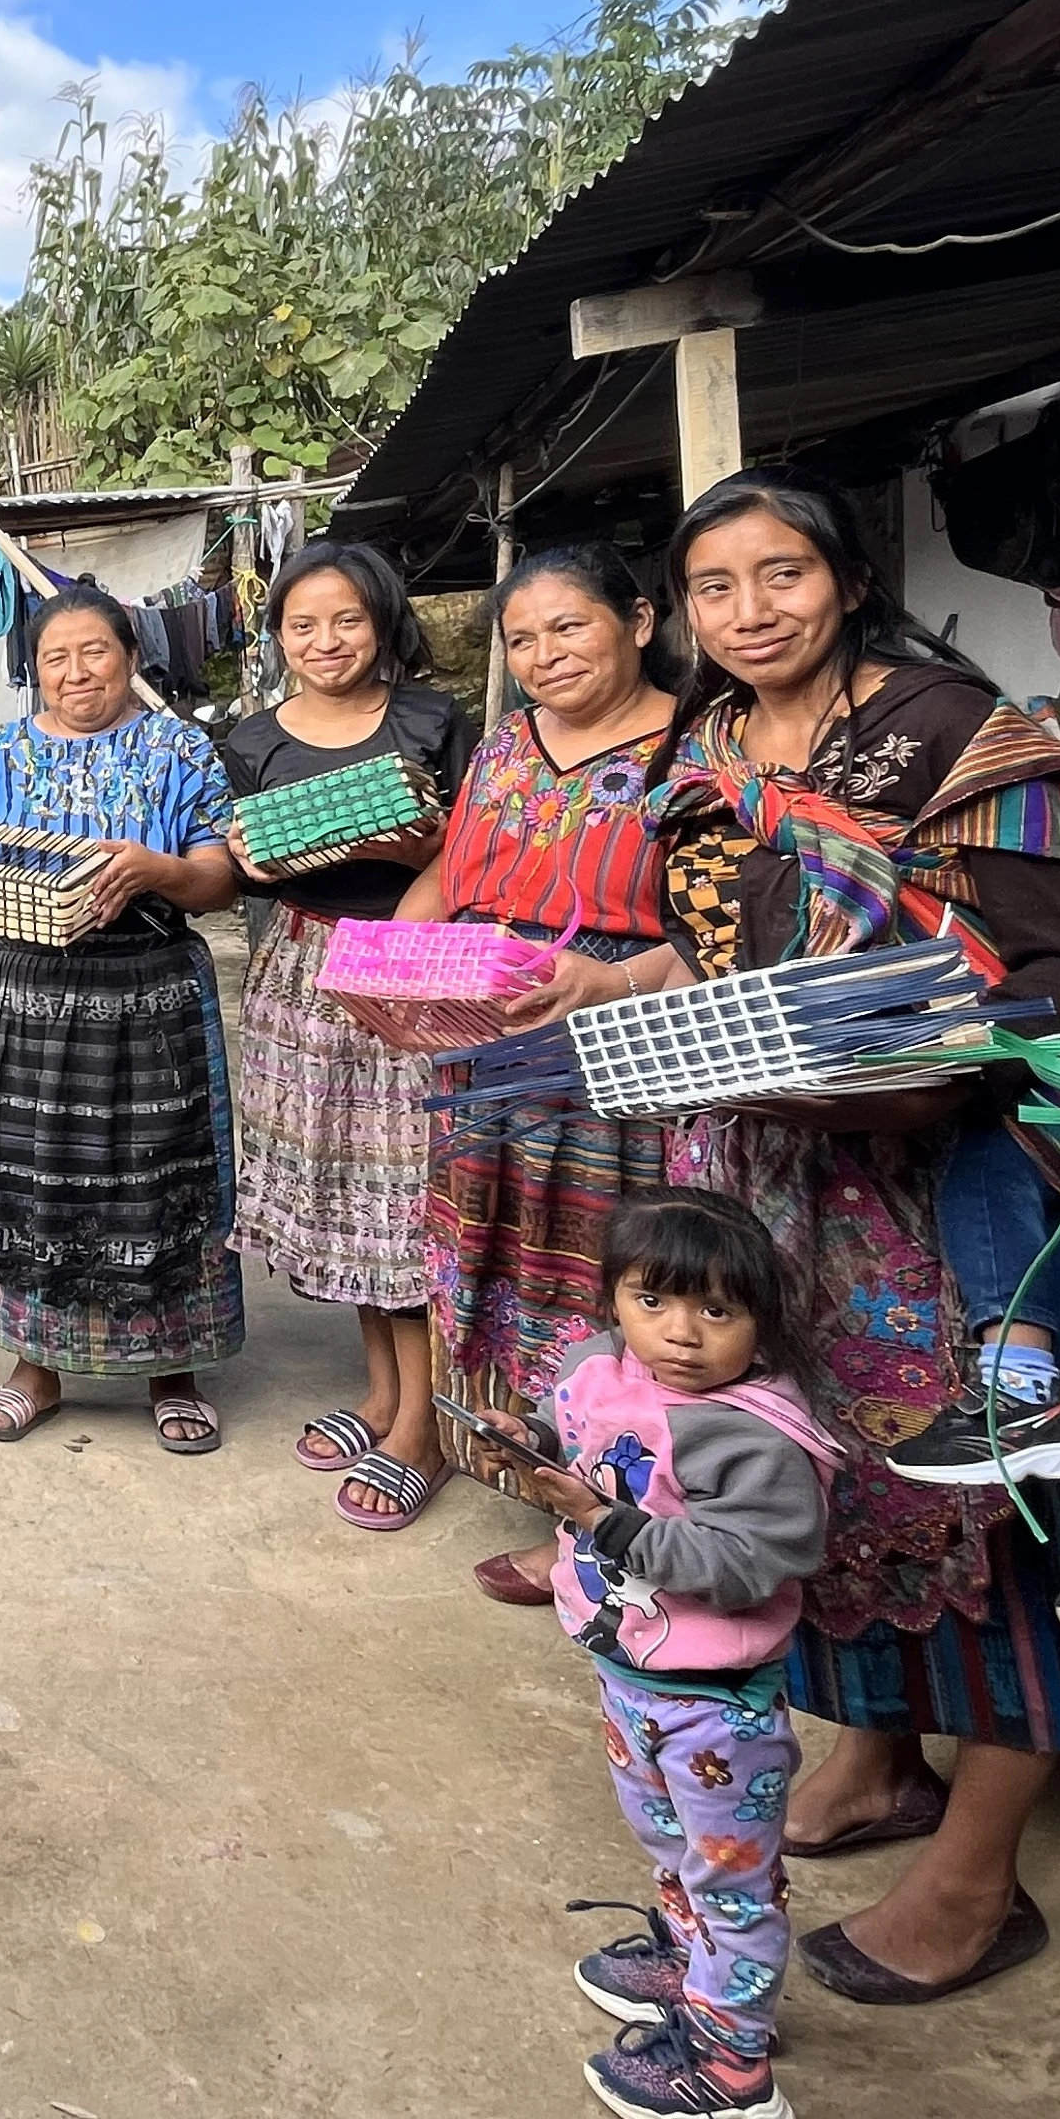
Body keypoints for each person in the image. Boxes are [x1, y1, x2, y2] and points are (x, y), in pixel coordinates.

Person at [560, 464, 1060, 2006]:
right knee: (798, 1469)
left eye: (783, 577)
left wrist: (892, 1063)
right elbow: (708, 950)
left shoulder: (961, 736)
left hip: (935, 1176)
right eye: (716, 588)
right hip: (763, 1168)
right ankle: (881, 1753)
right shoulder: (711, 749)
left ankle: (980, 1869)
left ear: (848, 578)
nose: (751, 614)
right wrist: (615, 999)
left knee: (976, 1489)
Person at [507, 1190, 835, 2119]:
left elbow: (746, 1566)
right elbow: (575, 1434)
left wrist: (607, 1525)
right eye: (653, 1300)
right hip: (631, 1680)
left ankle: (734, 2068)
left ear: (761, 1323)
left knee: (736, 1885)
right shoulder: (596, 1371)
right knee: (667, 1845)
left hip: (718, 1709)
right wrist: (527, 1440)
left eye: (717, 1312)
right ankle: (689, 1959)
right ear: (613, 1297)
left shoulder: (758, 1435)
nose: (680, 1334)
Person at [392, 543, 683, 1607]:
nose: (544, 654)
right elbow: (453, 873)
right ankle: (556, 1502)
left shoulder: (695, 747)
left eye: (570, 626)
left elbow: (721, 922)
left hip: (624, 1053)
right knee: (501, 1267)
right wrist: (384, 968)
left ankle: (630, 1536)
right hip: (487, 1040)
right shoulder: (509, 744)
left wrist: (608, 983)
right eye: (523, 638)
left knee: (618, 1276)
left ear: (640, 621)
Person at [0, 584, 247, 1456]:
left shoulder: (179, 749)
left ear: (132, 657)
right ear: (32, 671)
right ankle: (35, 1367)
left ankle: (172, 1368)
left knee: (156, 1178)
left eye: (95, 652)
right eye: (54, 658)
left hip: (146, 996)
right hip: (17, 998)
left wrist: (154, 870)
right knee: (24, 1181)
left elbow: (220, 880)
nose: (76, 673)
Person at [219, 540, 475, 1531]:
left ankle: (425, 1425)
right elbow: (246, 869)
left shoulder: (430, 720)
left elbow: (473, 843)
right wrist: (309, 850)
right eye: (303, 623)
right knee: (346, 1198)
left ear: (383, 622)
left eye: (347, 619)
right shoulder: (251, 740)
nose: (325, 641)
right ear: (278, 634)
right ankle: (382, 1394)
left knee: (405, 1200)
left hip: (409, 973)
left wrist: (402, 871)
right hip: (302, 973)